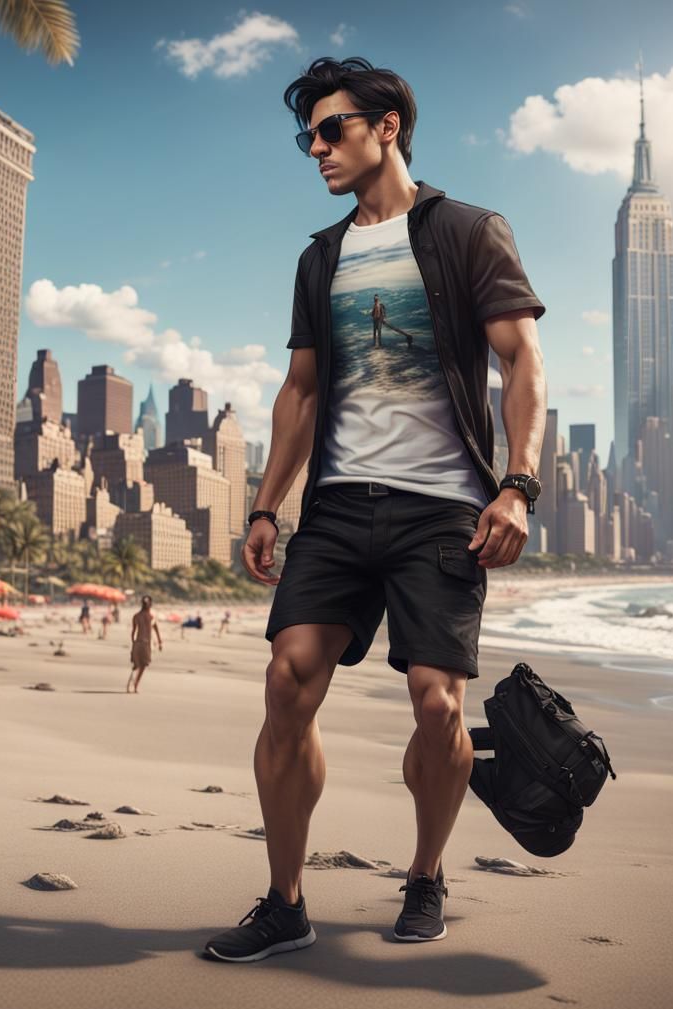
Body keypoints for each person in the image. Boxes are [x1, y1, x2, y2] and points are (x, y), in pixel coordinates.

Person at [204, 57, 546, 963]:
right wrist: (265, 506)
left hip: (444, 513)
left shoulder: (470, 230)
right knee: (287, 680)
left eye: (331, 130)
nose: (315, 148)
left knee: (437, 706)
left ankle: (427, 873)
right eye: (307, 135)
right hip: (340, 510)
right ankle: (285, 902)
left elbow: (523, 364)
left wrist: (520, 484)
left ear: (386, 126)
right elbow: (301, 391)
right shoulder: (320, 257)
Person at [126, 595, 162, 694]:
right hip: (146, 644)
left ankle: (132, 683)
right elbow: (156, 630)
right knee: (143, 665)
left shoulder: (136, 616)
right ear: (150, 604)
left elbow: (133, 632)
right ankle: (135, 685)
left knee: (136, 665)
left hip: (138, 643)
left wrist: (133, 643)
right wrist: (160, 642)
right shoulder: (151, 617)